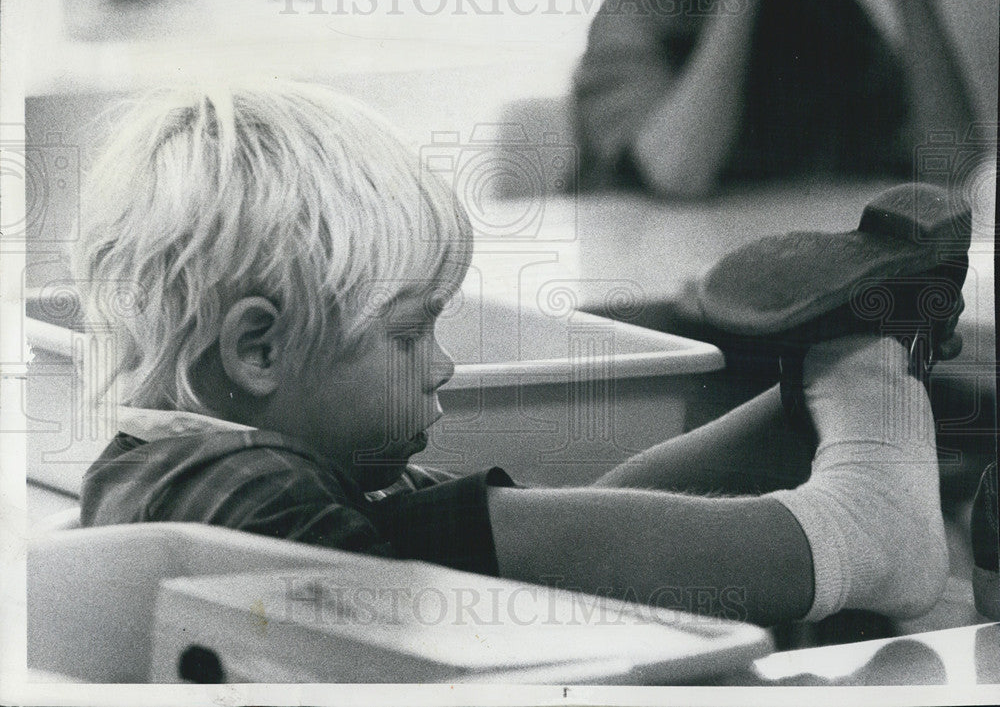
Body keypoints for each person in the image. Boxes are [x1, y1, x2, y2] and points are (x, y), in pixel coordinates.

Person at [77, 81, 957, 627]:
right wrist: (862, 502)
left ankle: (844, 385)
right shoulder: (245, 504)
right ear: (259, 348)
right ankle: (865, 502)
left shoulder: (193, 468)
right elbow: (537, 563)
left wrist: (814, 391)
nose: (442, 367)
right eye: (410, 332)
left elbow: (579, 539)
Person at [572, 0, 977, 198]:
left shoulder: (826, 13)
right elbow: (676, 172)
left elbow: (955, 163)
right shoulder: (641, 0)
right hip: (639, 283)